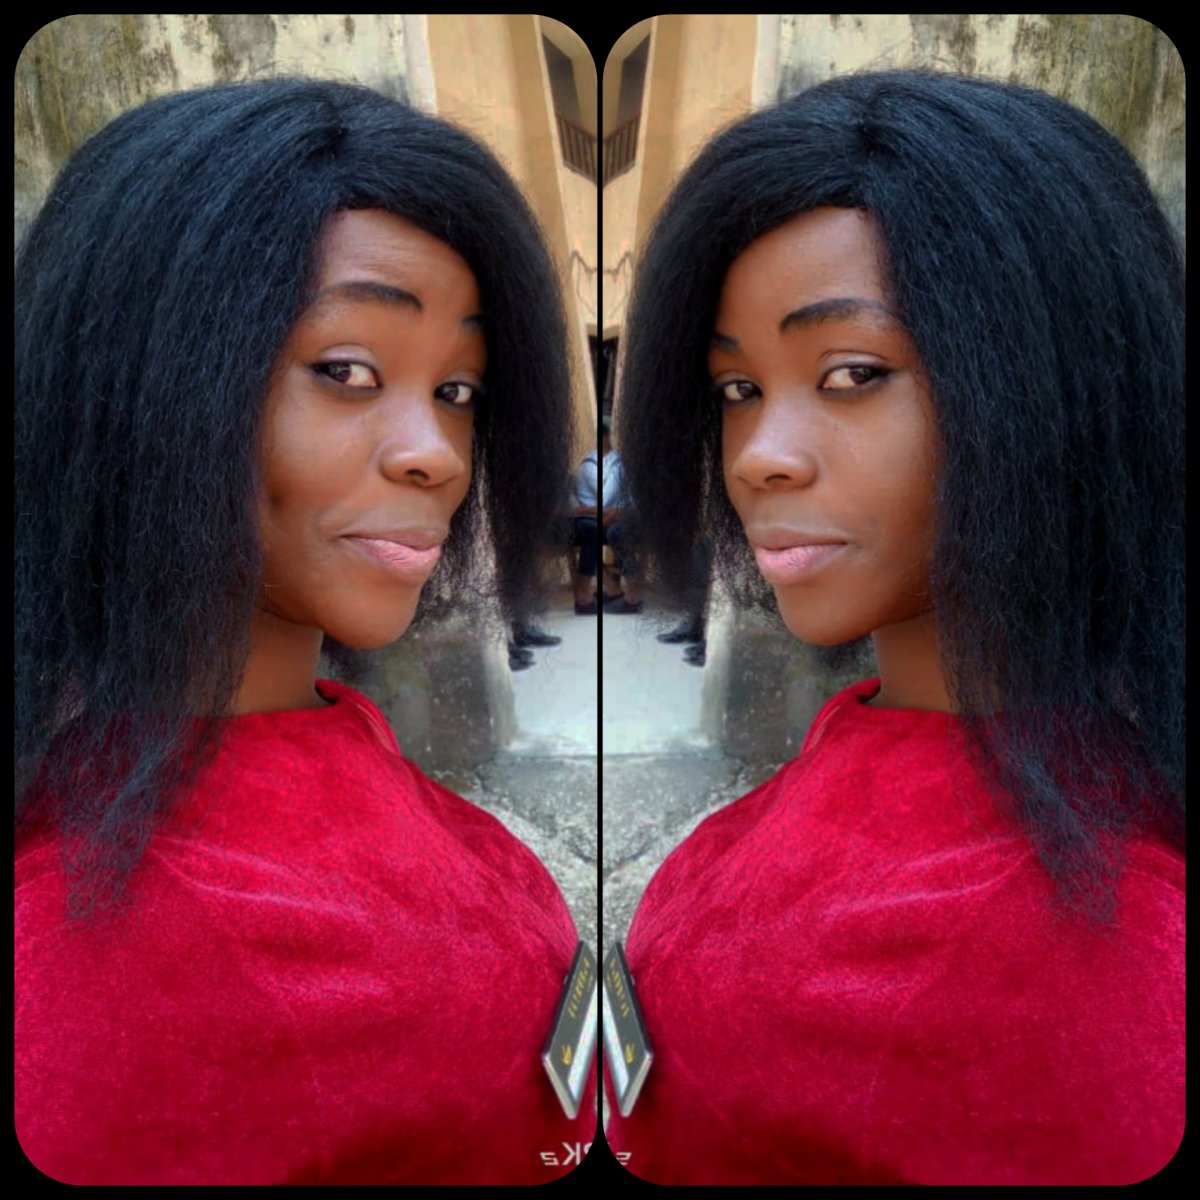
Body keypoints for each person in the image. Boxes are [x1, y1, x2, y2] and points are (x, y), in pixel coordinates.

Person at [15, 78, 595, 1185]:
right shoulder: (70, 983)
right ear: (145, 381)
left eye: (459, 389)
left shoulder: (363, 756)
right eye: (346, 372)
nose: (436, 453)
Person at [608, 69, 1183, 1185]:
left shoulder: (1114, 971)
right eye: (736, 389)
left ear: (1050, 386)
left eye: (852, 374)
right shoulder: (860, 747)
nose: (760, 456)